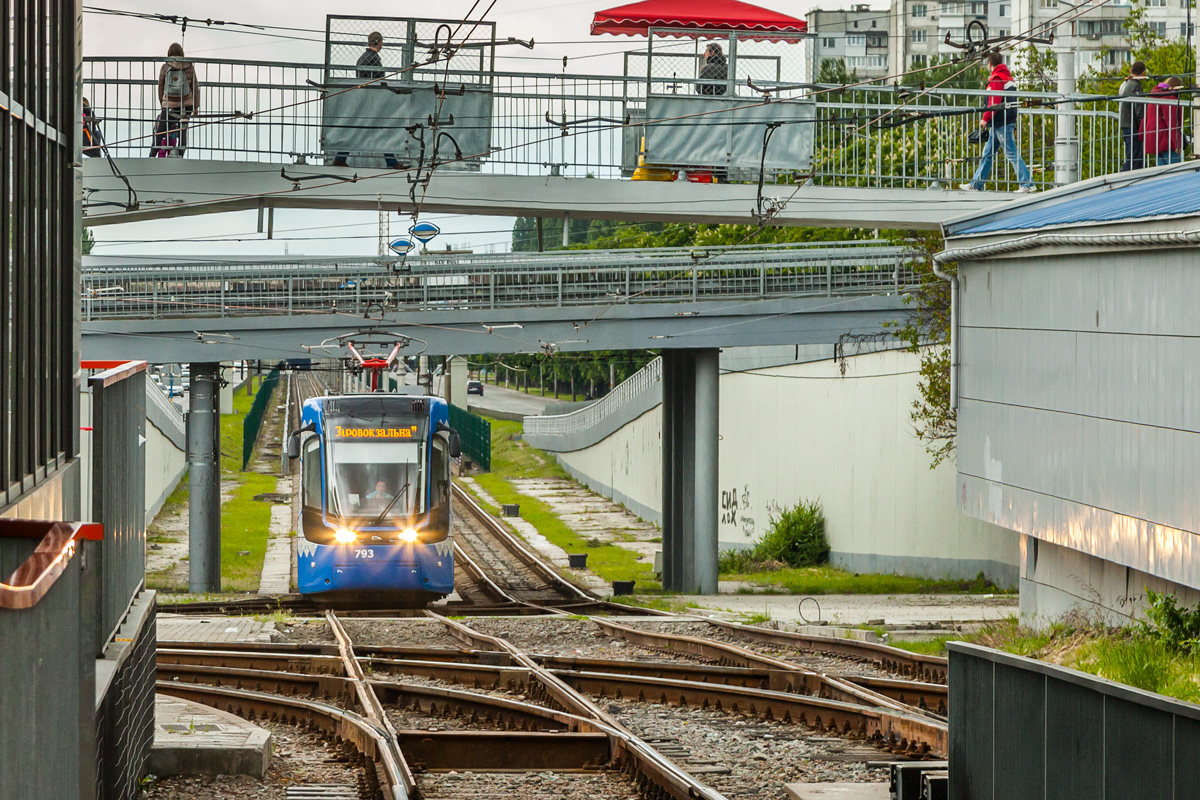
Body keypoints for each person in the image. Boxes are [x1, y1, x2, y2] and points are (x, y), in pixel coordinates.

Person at [961, 51, 1036, 193]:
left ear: (989, 64)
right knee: (988, 154)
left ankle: (1027, 184)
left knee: (1011, 153)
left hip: (1000, 122)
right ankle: (976, 184)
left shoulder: (996, 79)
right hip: (1002, 122)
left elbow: (994, 102)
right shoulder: (1008, 77)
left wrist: (985, 119)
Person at [331, 31, 400, 169]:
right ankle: (391, 162)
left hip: (365, 98)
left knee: (359, 129)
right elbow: (377, 79)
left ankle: (340, 157)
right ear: (379, 42)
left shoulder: (363, 57)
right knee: (380, 130)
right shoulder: (373, 59)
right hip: (372, 99)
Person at [153, 43, 198, 157]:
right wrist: (196, 107)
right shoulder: (189, 66)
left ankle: (152, 155)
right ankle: (181, 154)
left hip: (169, 105)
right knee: (182, 130)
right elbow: (195, 87)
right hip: (186, 104)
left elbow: (160, 86)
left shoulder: (165, 67)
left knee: (161, 131)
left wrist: (162, 103)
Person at [1141, 76, 1185, 166]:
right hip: (1166, 140)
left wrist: (1141, 136)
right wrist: (1177, 143)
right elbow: (1172, 123)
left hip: (1154, 139)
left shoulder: (1154, 96)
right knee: (1175, 170)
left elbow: (1146, 118)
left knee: (1161, 172)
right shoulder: (1169, 99)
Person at [1118, 61, 1147, 171]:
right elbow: (1139, 108)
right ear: (1143, 72)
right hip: (1133, 125)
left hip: (1124, 123)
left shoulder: (1124, 84)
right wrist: (1142, 125)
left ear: (1131, 70)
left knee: (1131, 154)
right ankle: (1123, 176)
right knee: (1135, 157)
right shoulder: (1136, 86)